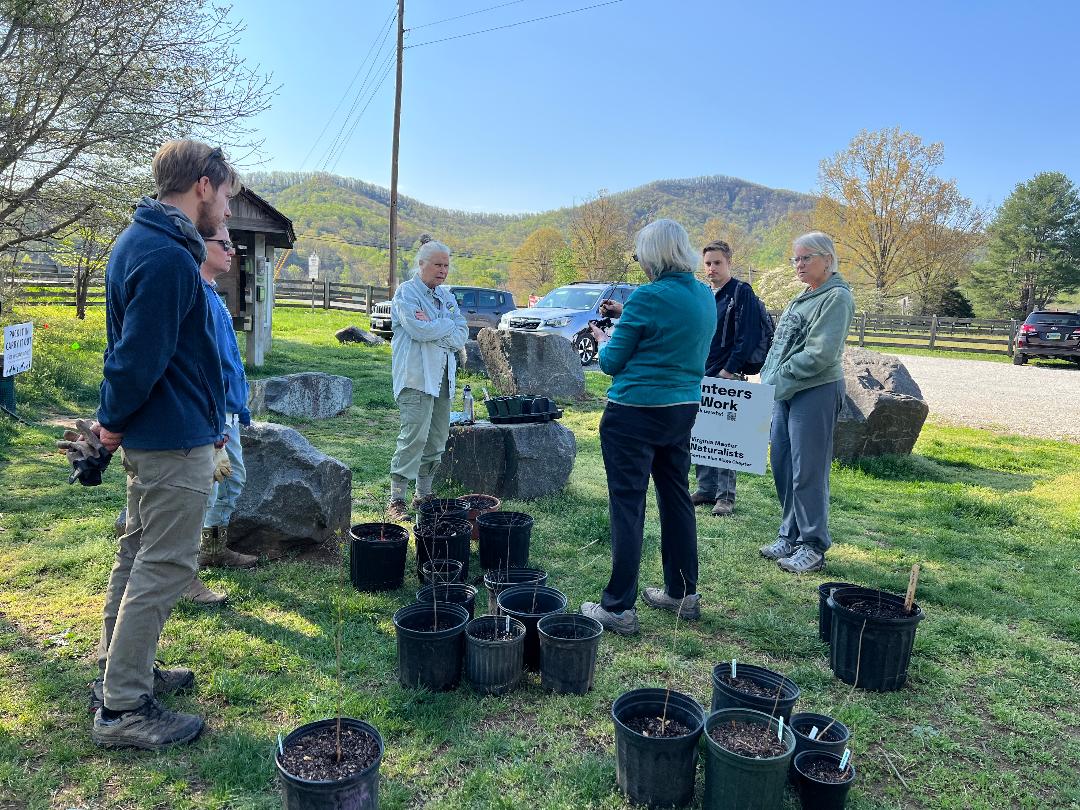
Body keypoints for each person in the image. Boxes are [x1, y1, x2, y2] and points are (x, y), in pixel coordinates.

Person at [88, 140, 239, 749]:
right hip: (170, 439)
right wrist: (111, 421)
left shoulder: (148, 243)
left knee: (137, 554)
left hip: (164, 432)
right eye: (226, 197)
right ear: (202, 185)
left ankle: (120, 672)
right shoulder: (166, 256)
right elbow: (135, 360)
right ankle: (124, 707)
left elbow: (156, 353)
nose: (227, 213)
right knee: (166, 563)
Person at [581, 219, 716, 635]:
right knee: (676, 497)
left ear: (654, 256)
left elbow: (611, 363)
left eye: (641, 255)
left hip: (634, 413)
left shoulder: (646, 297)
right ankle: (683, 593)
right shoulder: (705, 295)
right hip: (683, 409)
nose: (639, 263)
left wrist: (605, 338)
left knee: (628, 504)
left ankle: (618, 606)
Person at [758, 232, 854, 573]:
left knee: (808, 471)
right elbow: (781, 343)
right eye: (795, 259)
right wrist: (769, 377)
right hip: (785, 390)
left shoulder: (837, 298)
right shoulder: (803, 296)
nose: (798, 265)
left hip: (815, 390)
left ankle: (812, 545)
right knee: (784, 464)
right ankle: (790, 534)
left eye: (805, 258)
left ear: (827, 259)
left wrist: (779, 375)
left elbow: (819, 353)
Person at [182, 224, 258, 606]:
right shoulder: (196, 295)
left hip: (227, 412)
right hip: (210, 416)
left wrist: (239, 408)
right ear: (200, 244)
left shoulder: (213, 294)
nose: (231, 251)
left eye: (233, 244)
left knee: (232, 480)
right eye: (224, 244)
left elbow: (227, 362)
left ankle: (214, 548)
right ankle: (187, 572)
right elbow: (201, 365)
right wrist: (215, 420)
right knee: (203, 489)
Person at [386, 239, 468, 521]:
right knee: (413, 438)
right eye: (437, 264)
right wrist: (445, 324)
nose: (443, 270)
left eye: (446, 265)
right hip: (416, 377)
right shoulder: (406, 294)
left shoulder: (446, 296)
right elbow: (419, 330)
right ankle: (397, 499)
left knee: (436, 439)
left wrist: (438, 324)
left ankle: (424, 494)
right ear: (421, 264)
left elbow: (462, 335)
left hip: (443, 377)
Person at [691, 240, 763, 517]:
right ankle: (705, 488)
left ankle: (725, 497)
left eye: (717, 263)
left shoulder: (741, 292)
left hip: (726, 374)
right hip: (702, 371)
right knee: (702, 434)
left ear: (729, 263)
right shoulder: (706, 294)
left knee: (725, 439)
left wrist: (729, 370)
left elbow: (748, 334)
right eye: (707, 263)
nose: (711, 268)